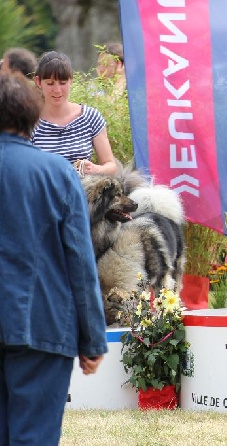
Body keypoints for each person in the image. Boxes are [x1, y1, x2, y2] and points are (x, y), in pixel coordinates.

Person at [0, 73, 108, 445]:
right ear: (32, 118)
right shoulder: (57, 173)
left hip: (37, 323)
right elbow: (80, 260)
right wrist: (93, 339)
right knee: (35, 437)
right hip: (41, 323)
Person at [32, 51, 118, 175]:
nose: (57, 90)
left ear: (71, 80)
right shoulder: (30, 122)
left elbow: (111, 165)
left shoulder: (90, 117)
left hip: (83, 191)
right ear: (38, 82)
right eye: (50, 83)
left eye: (63, 83)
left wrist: (95, 169)